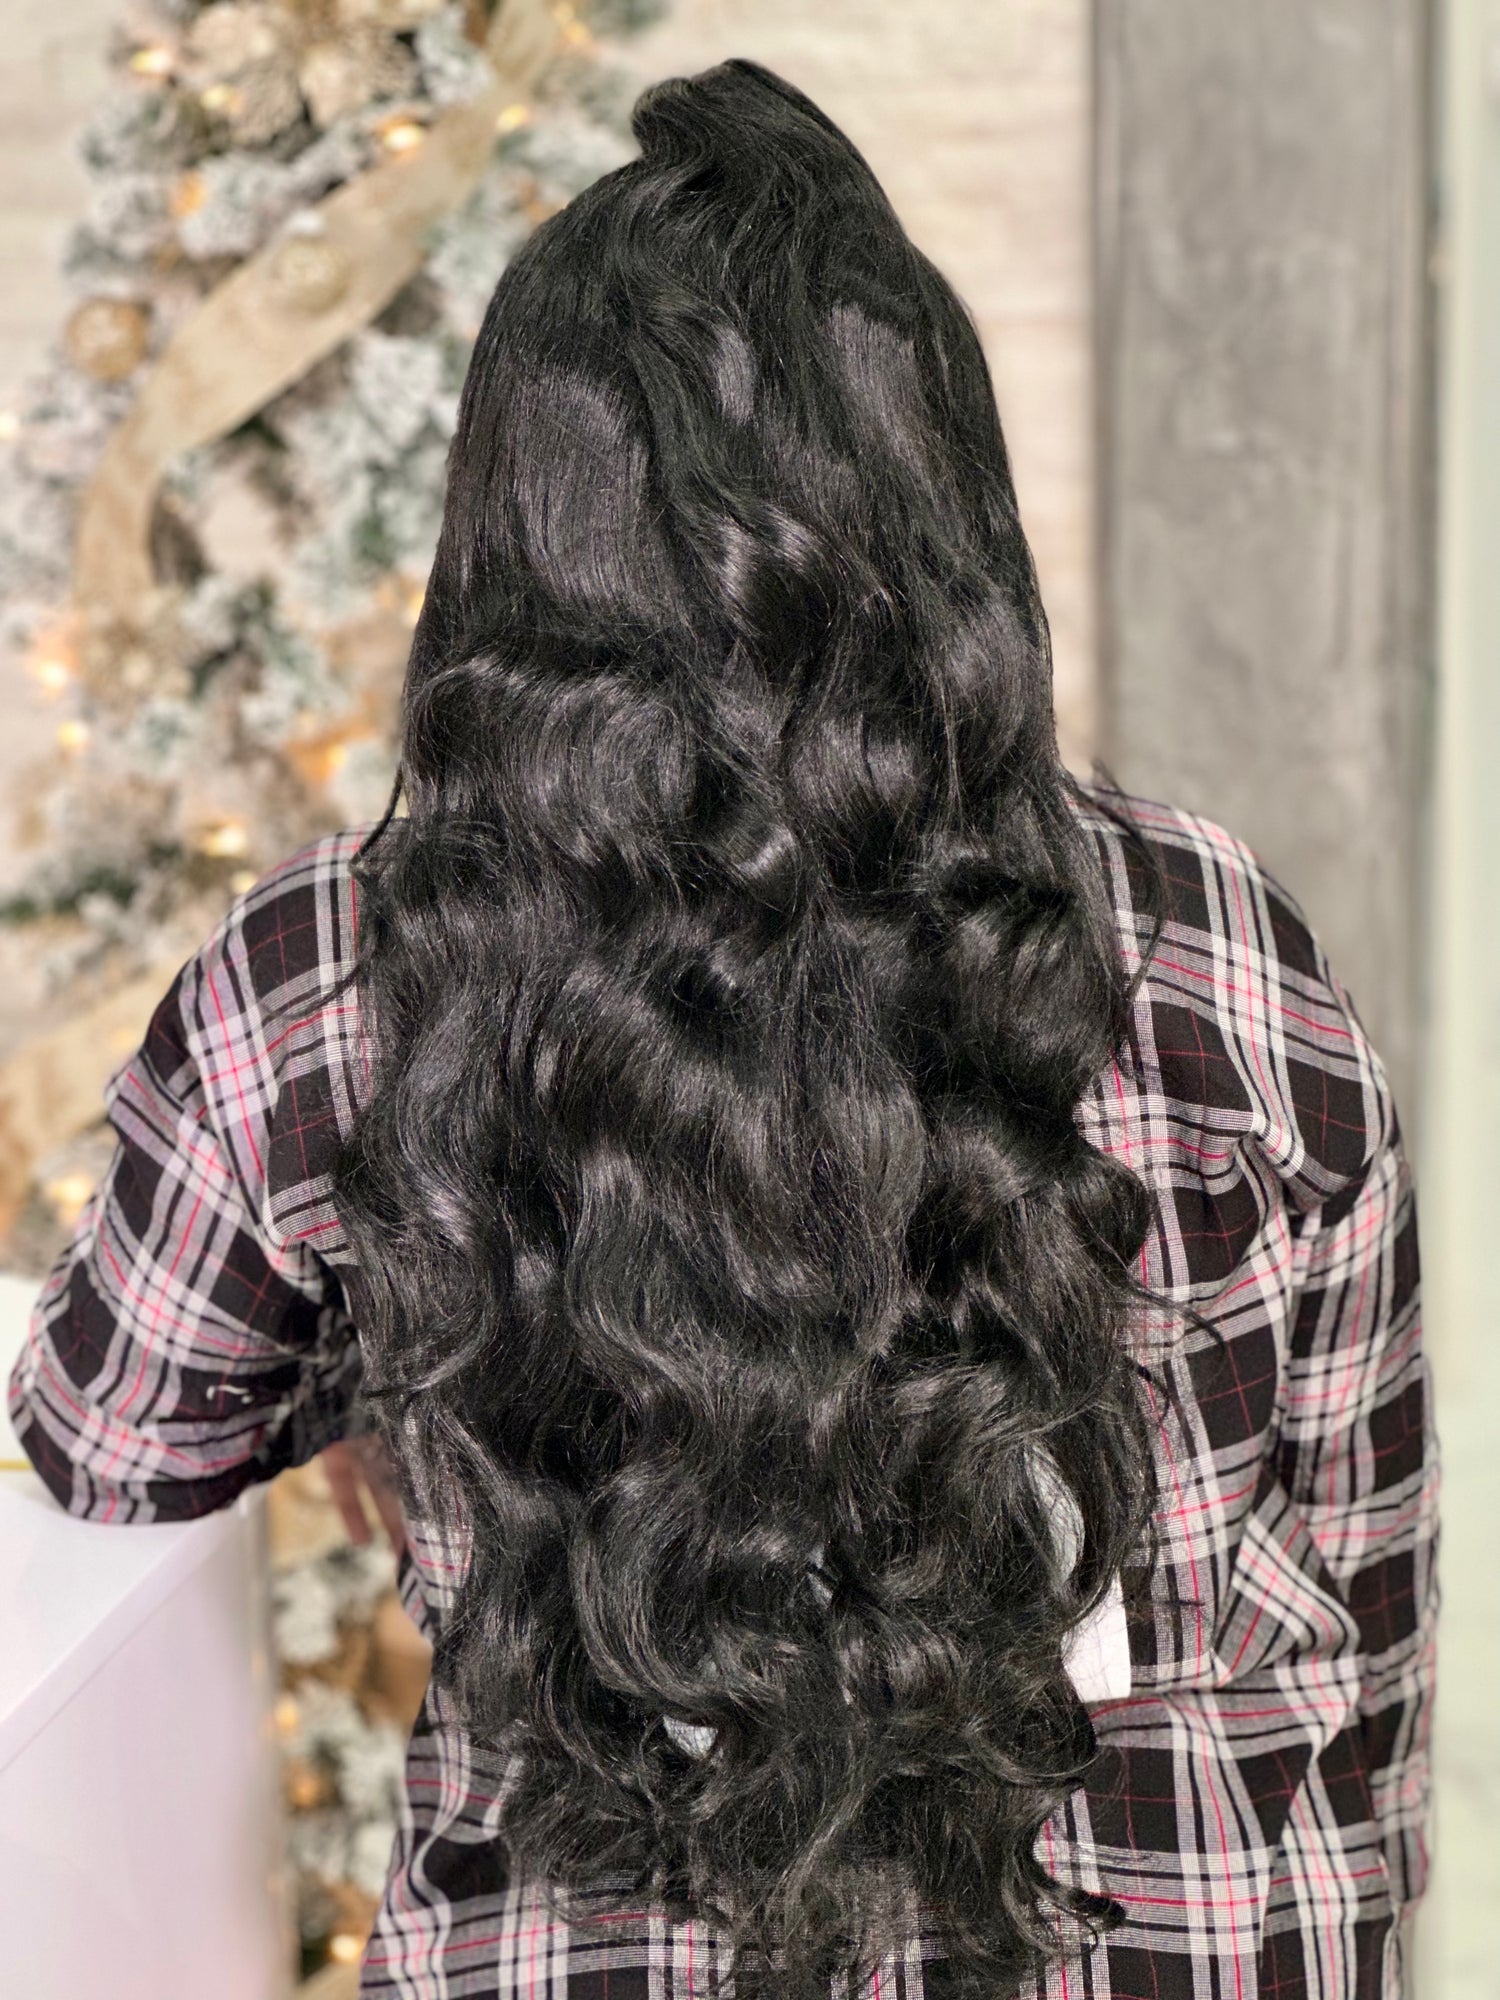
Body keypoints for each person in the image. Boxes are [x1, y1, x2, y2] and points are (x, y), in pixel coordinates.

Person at [7, 57, 1436, 2000]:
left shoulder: (332, 975)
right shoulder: (1221, 940)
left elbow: (107, 1443)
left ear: (518, 547)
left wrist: (394, 1335)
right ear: (944, 519)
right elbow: (1357, 1589)